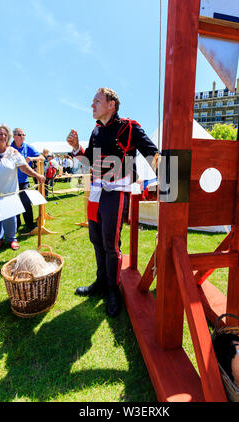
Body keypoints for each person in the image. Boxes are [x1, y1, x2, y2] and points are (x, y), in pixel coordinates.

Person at [67, 87, 158, 317]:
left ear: (111, 105)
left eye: (97, 100)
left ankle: (113, 290)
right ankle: (100, 281)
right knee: (95, 238)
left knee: (110, 243)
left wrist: (174, 181)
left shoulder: (129, 127)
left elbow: (152, 154)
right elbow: (88, 162)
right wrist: (76, 147)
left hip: (116, 191)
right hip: (96, 190)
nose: (92, 105)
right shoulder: (96, 131)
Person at [0, 124, 45, 251]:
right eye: (1, 134)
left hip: (8, 192)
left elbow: (23, 166)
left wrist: (37, 175)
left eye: (6, 134)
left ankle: (12, 239)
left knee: (9, 217)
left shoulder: (12, 152)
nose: (4, 136)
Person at [11, 128, 44, 231]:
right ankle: (16, 225)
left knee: (26, 203)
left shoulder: (28, 147)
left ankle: (30, 225)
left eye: (24, 135)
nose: (23, 137)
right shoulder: (9, 148)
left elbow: (42, 158)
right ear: (14, 136)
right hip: (11, 182)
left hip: (24, 181)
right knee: (14, 205)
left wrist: (32, 158)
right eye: (20, 135)